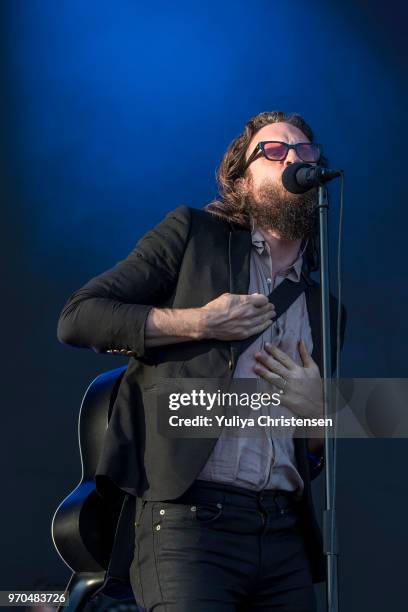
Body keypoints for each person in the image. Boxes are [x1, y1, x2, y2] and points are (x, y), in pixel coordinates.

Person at [57, 111, 346, 611]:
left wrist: (318, 410)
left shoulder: (326, 310)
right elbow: (79, 318)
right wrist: (199, 323)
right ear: (241, 181)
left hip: (283, 536)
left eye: (305, 151)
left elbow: (315, 453)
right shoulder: (193, 235)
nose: (295, 158)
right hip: (190, 527)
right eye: (274, 151)